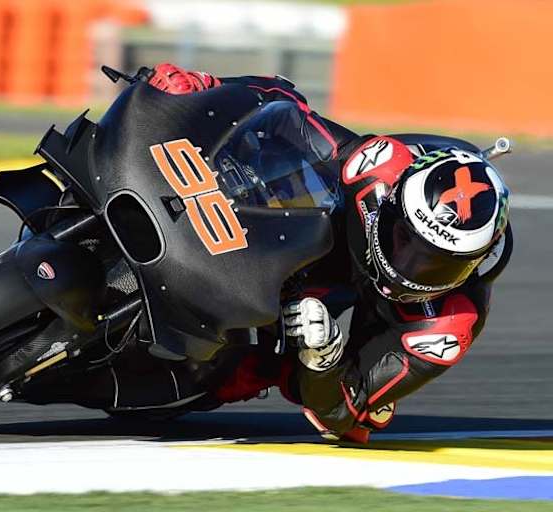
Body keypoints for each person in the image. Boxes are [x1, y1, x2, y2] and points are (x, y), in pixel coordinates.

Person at [146, 63, 513, 442]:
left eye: (435, 267)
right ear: (391, 204)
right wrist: (207, 86)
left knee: (295, 391)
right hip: (322, 233)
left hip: (348, 311)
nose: (410, 267)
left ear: (474, 266)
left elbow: (345, 412)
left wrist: (323, 358)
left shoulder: (447, 325)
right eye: (404, 240)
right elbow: (285, 105)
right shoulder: (377, 166)